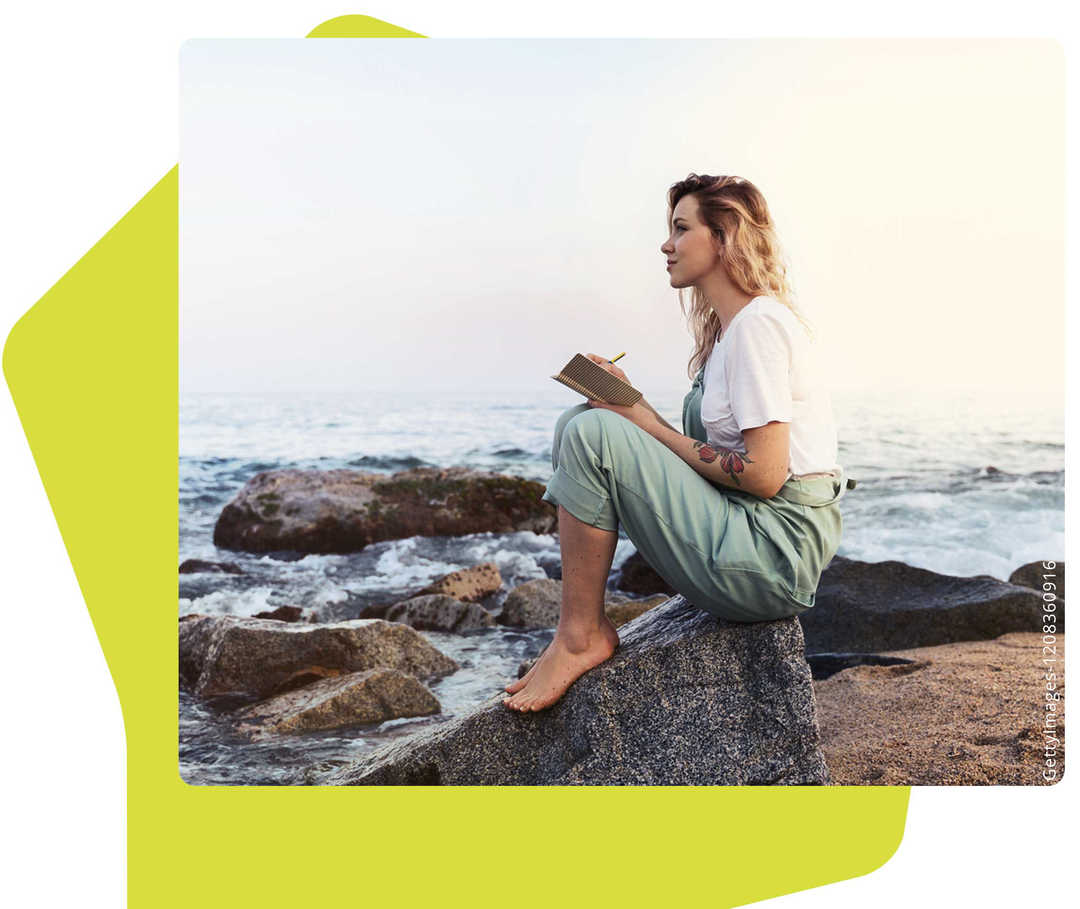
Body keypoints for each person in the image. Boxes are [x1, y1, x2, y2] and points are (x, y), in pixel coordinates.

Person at [503, 173, 853, 713]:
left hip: (772, 555)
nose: (666, 245)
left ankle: (580, 637)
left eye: (681, 228)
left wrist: (638, 425)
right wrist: (629, 405)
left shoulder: (759, 328)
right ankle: (580, 628)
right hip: (750, 531)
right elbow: (701, 459)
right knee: (580, 420)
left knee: (593, 434)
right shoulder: (733, 332)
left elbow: (763, 474)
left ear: (724, 236)